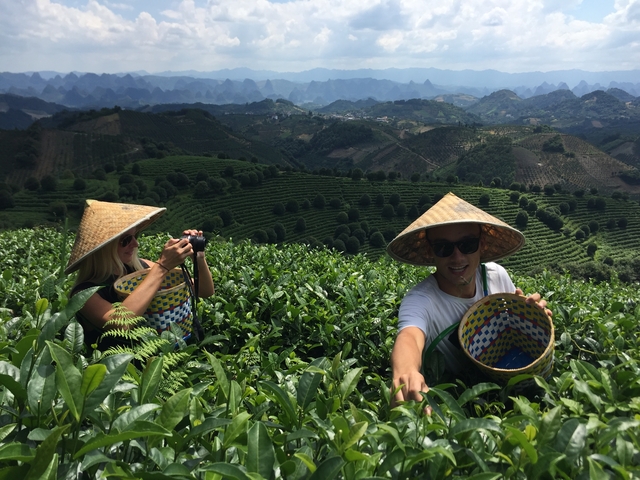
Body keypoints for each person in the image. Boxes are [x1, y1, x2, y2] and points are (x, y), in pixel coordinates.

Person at [386, 192, 551, 407]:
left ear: (481, 245)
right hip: (466, 404)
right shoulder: (422, 300)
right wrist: (406, 372)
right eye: (444, 248)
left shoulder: (496, 276)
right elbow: (409, 336)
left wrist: (534, 316)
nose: (457, 257)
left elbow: (513, 326)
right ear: (431, 251)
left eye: (467, 244)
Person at [65, 199, 215, 351]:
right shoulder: (83, 294)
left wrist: (199, 258)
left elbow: (204, 291)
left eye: (135, 235)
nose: (135, 244)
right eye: (126, 240)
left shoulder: (141, 267)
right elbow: (121, 323)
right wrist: (162, 266)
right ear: (104, 247)